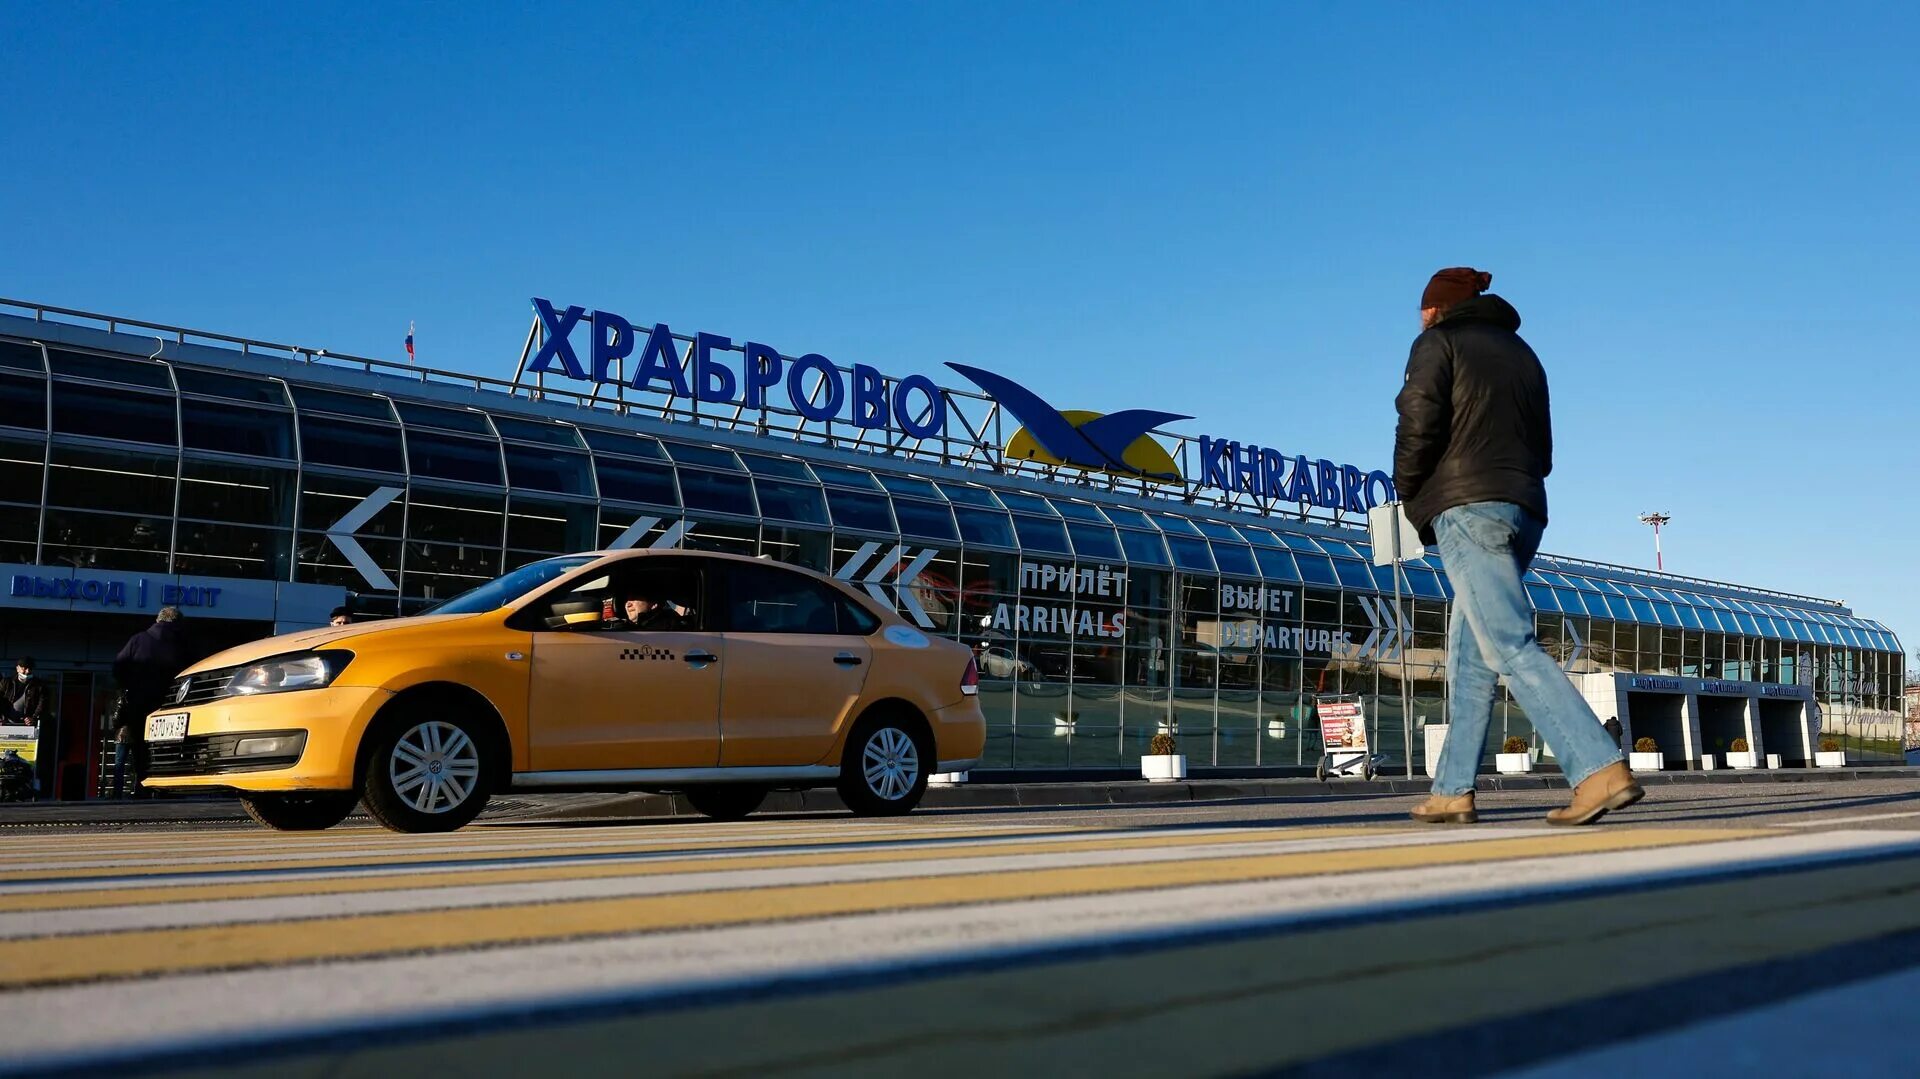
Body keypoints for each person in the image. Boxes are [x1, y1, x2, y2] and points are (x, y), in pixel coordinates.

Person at [1396, 268, 1641, 827]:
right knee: (1471, 657)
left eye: (1421, 309)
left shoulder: (1437, 343)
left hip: (1467, 507)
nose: (1419, 317)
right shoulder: (1525, 355)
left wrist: (1411, 492)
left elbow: (1417, 421)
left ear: (1436, 310)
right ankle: (1452, 789)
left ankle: (1599, 768)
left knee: (1508, 642)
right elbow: (1545, 449)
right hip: (1525, 507)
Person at [111, 606, 189, 796]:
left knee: (140, 751)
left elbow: (118, 667)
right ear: (178, 624)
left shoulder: (138, 640)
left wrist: (129, 686)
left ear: (157, 620)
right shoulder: (184, 644)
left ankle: (141, 790)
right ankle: (165, 789)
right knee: (168, 749)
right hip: (171, 707)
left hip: (140, 704)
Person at [1, 658, 50, 731]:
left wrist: (34, 718)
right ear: (17, 668)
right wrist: (1, 717)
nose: (27, 671)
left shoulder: (39, 685)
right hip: (6, 723)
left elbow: (43, 704)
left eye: (30, 669)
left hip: (26, 726)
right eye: (25, 668)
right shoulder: (6, 682)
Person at [603, 594, 684, 631]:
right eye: (627, 600)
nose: (628, 604)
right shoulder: (621, 628)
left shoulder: (666, 627)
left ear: (654, 604)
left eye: (634, 598)